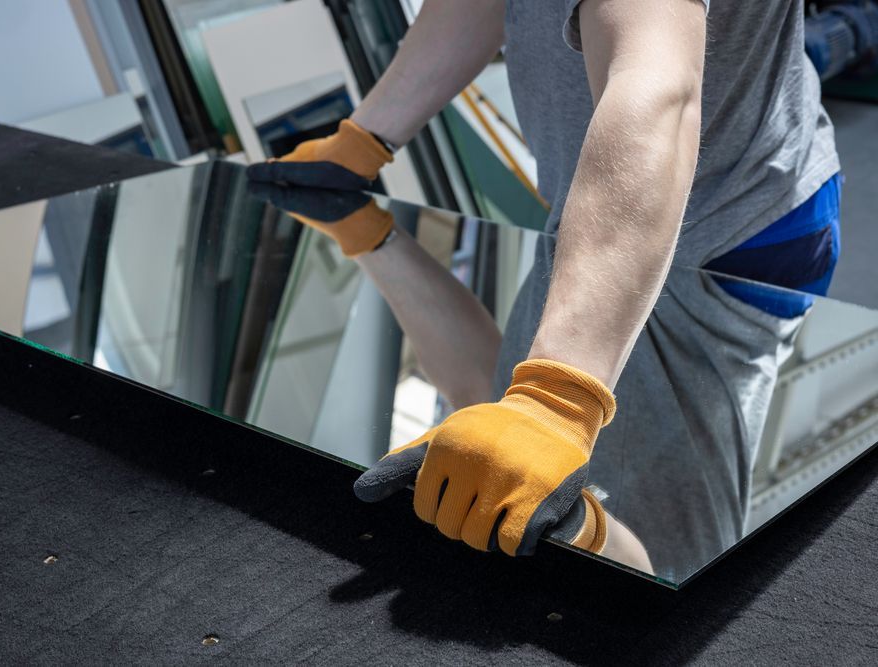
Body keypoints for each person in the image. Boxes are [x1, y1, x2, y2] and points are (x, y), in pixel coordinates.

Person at [247, 0, 840, 559]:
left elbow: (660, 90)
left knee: (641, 560)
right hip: (623, 196)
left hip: (704, 228)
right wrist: (366, 139)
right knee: (501, 440)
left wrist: (559, 401)